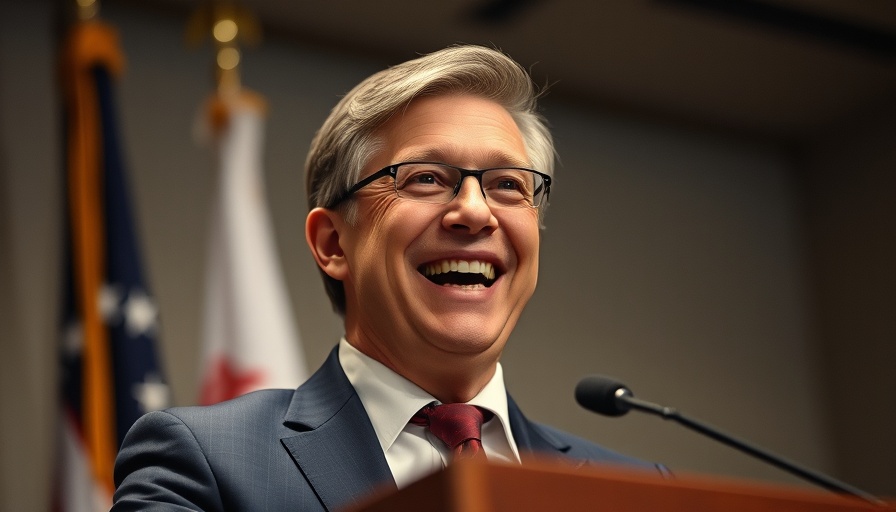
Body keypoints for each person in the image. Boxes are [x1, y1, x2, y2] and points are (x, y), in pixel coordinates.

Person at [112, 45, 665, 511]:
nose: (475, 211)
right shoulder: (201, 462)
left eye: (508, 185)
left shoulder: (640, 493)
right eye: (426, 178)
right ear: (333, 244)